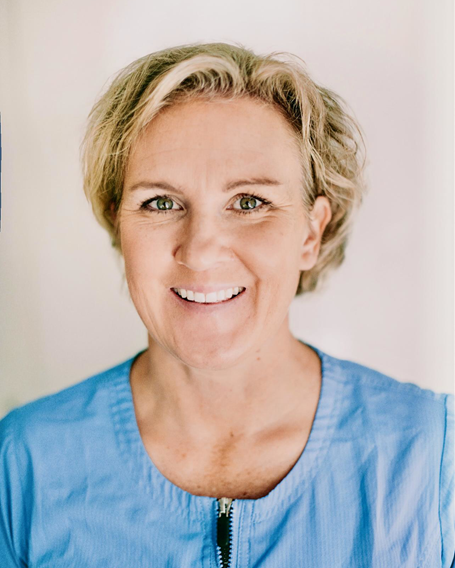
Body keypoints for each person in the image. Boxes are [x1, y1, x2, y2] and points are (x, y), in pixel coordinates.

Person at [0, 42, 453, 567]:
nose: (200, 251)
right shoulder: (21, 466)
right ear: (119, 225)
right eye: (160, 202)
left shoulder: (434, 458)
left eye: (249, 202)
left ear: (311, 232)